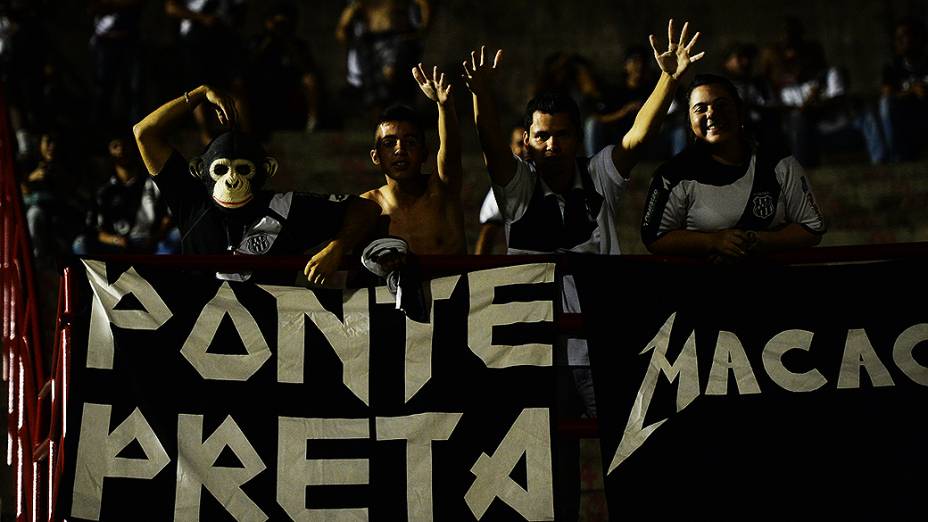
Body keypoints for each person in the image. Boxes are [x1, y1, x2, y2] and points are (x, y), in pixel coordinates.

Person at [464, 20, 703, 520]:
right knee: (546, 452)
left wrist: (670, 80)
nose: (551, 145)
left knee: (630, 442)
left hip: (601, 335)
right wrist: (481, 94)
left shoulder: (599, 175)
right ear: (526, 141)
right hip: (534, 343)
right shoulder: (516, 188)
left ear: (576, 138)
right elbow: (488, 144)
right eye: (542, 137)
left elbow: (638, 136)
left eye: (562, 136)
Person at [132, 84, 380, 285]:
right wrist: (199, 94)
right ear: (200, 171)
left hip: (270, 336)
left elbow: (366, 209)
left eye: (242, 169)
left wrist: (338, 247)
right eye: (221, 170)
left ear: (266, 171)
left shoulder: (286, 207)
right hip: (199, 336)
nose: (231, 179)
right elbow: (144, 132)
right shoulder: (192, 200)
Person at [641, 74, 826, 262]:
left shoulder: (778, 163)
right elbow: (653, 237)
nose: (711, 113)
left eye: (721, 105)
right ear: (689, 121)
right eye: (700, 108)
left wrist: (761, 241)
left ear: (740, 111)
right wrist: (711, 242)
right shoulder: (673, 174)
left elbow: (812, 227)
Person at [361, 64, 465, 255]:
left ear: (424, 154)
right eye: (389, 143)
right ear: (376, 156)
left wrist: (444, 106)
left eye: (410, 142)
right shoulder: (368, 206)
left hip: (452, 284)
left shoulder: (442, 190)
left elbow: (451, 154)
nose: (400, 149)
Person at [73, 134, 171, 256]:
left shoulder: (152, 183)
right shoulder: (105, 192)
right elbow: (95, 229)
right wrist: (115, 240)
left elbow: (168, 217)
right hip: (118, 247)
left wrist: (155, 238)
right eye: (115, 146)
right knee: (80, 244)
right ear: (109, 152)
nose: (121, 150)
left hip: (153, 243)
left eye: (125, 145)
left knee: (177, 236)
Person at [880, 17, 928, 162]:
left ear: (918, 38)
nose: (900, 42)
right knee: (886, 104)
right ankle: (897, 156)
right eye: (897, 38)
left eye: (904, 36)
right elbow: (887, 95)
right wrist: (913, 90)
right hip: (907, 118)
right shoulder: (892, 68)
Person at [474, 125, 527, 255]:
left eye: (529, 143)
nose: (526, 149)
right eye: (520, 144)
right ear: (511, 148)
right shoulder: (507, 185)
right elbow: (488, 232)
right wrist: (477, 271)